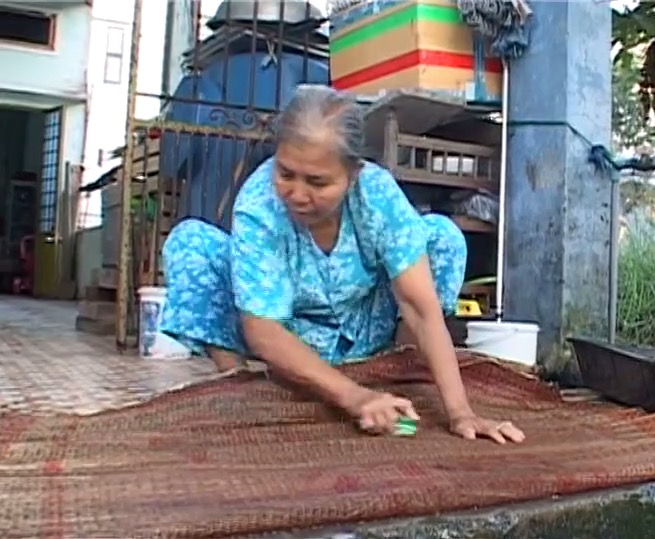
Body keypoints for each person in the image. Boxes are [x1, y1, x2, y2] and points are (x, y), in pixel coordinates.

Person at [159, 85, 525, 444]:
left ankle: (393, 371)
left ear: (352, 175)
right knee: (190, 242)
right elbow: (263, 328)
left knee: (442, 236)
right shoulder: (259, 205)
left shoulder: (377, 195)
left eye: (317, 182)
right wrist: (354, 397)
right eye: (285, 174)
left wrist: (461, 412)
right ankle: (241, 388)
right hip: (290, 337)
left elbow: (419, 307)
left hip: (366, 330)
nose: (297, 194)